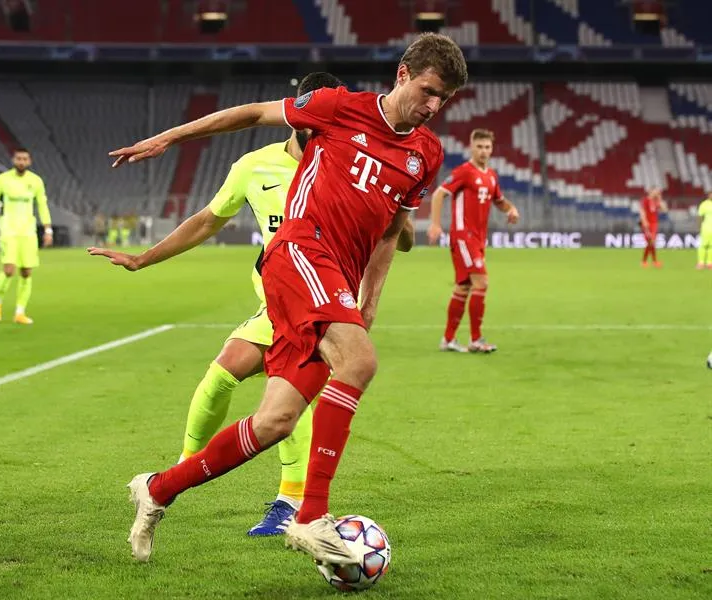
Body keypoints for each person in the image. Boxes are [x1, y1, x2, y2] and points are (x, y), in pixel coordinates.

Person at [92, 33, 467, 564]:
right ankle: (312, 517)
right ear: (403, 74)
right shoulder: (339, 107)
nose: (432, 107)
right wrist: (168, 139)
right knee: (358, 361)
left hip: (338, 278)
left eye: (444, 100)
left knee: (276, 423)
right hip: (299, 251)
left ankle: (157, 489)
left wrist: (371, 300)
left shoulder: (426, 154)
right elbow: (250, 114)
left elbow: (391, 232)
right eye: (428, 90)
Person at [91, 73, 373, 537]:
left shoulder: (345, 169)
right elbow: (206, 221)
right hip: (278, 302)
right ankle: (181, 473)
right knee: (220, 379)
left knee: (286, 401)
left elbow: (391, 231)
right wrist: (143, 259)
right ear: (302, 119)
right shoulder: (253, 167)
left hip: (321, 305)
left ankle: (289, 501)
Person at [426, 129, 519, 353]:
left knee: (464, 286)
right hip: (463, 236)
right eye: (479, 147)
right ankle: (476, 339)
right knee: (481, 282)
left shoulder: (491, 175)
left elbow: (499, 200)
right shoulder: (464, 172)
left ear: (492, 149)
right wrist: (435, 224)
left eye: (487, 147)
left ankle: (448, 340)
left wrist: (511, 209)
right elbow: (439, 193)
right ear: (471, 147)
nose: (483, 151)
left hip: (478, 239)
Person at [0, 148, 53, 325]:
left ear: (29, 161)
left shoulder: (35, 181)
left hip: (28, 231)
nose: (21, 161)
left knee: (27, 272)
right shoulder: (3, 180)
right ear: (13, 160)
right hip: (8, 230)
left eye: (24, 159)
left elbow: (42, 205)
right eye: (18, 158)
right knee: (9, 269)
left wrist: (48, 229)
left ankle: (20, 312)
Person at [639, 188, 667, 268]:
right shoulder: (645, 201)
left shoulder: (656, 201)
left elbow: (664, 210)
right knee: (650, 242)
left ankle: (650, 262)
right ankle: (648, 261)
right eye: (655, 191)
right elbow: (642, 212)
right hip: (647, 224)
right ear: (650, 192)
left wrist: (660, 198)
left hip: (654, 224)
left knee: (652, 242)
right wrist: (644, 221)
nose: (656, 193)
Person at [696, 192, 712, 270]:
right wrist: (699, 227)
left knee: (711, 247)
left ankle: (710, 263)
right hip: (706, 228)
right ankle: (701, 263)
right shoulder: (704, 204)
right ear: (708, 195)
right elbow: (700, 216)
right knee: (703, 245)